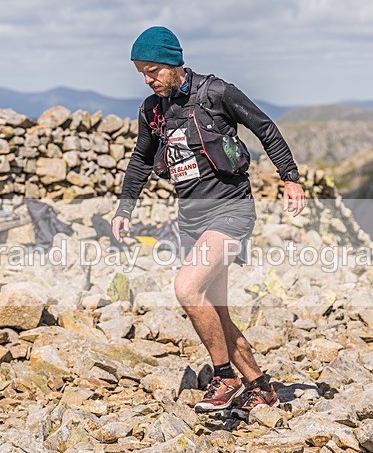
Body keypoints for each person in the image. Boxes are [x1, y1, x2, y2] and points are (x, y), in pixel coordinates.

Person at [112, 26, 305, 418]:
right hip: (192, 220)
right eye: (141, 74)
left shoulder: (216, 93)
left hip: (231, 211)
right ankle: (260, 386)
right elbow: (140, 160)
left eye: (153, 71)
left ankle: (223, 376)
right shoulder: (152, 111)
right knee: (215, 309)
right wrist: (124, 207)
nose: (148, 80)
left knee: (186, 288)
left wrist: (290, 177)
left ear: (173, 62)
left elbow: (264, 127)